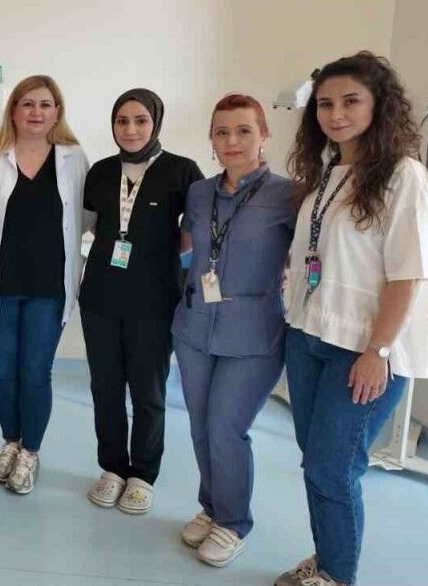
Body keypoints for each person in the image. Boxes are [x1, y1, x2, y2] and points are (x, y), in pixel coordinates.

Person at [274, 52, 428, 586]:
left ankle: (337, 576)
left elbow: (407, 275)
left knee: (334, 467)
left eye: (350, 101)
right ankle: (326, 561)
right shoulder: (326, 172)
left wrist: (377, 351)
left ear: (378, 105)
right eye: (325, 104)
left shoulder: (403, 175)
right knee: (316, 462)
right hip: (310, 334)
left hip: (364, 348)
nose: (335, 114)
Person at [171, 94, 295, 567]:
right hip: (195, 325)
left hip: (253, 333)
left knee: (226, 427)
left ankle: (234, 522)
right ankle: (212, 507)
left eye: (244, 130)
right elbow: (190, 246)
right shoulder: (199, 194)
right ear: (211, 138)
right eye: (222, 132)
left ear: (264, 135)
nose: (232, 141)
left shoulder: (289, 195)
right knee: (201, 425)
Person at [0, 75, 90, 495]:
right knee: (4, 371)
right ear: (13, 109)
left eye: (45, 104)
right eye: (28, 103)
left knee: (35, 373)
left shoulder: (73, 159)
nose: (36, 112)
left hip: (50, 287)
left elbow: (87, 218)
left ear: (57, 112)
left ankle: (30, 452)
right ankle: (9, 444)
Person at [79, 88, 204, 515]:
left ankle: (143, 476)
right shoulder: (100, 172)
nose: (130, 130)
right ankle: (113, 468)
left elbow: (192, 234)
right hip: (100, 296)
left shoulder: (182, 171)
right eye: (122, 121)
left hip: (154, 301)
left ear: (156, 122)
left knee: (148, 391)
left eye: (140, 120)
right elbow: (92, 227)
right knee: (105, 387)